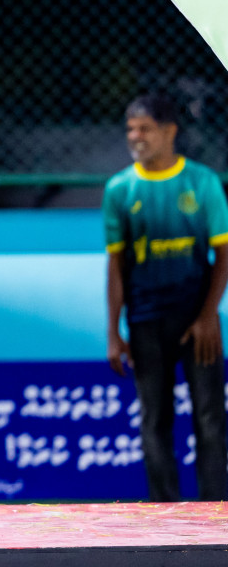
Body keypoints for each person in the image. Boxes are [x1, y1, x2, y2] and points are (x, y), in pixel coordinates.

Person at [104, 93, 228, 501]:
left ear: (169, 131)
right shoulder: (120, 189)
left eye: (144, 128)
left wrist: (209, 315)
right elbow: (117, 267)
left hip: (197, 320)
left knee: (210, 418)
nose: (135, 136)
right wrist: (114, 331)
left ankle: (215, 512)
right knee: (155, 419)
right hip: (146, 319)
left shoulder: (202, 182)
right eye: (130, 129)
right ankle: (164, 514)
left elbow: (223, 254)